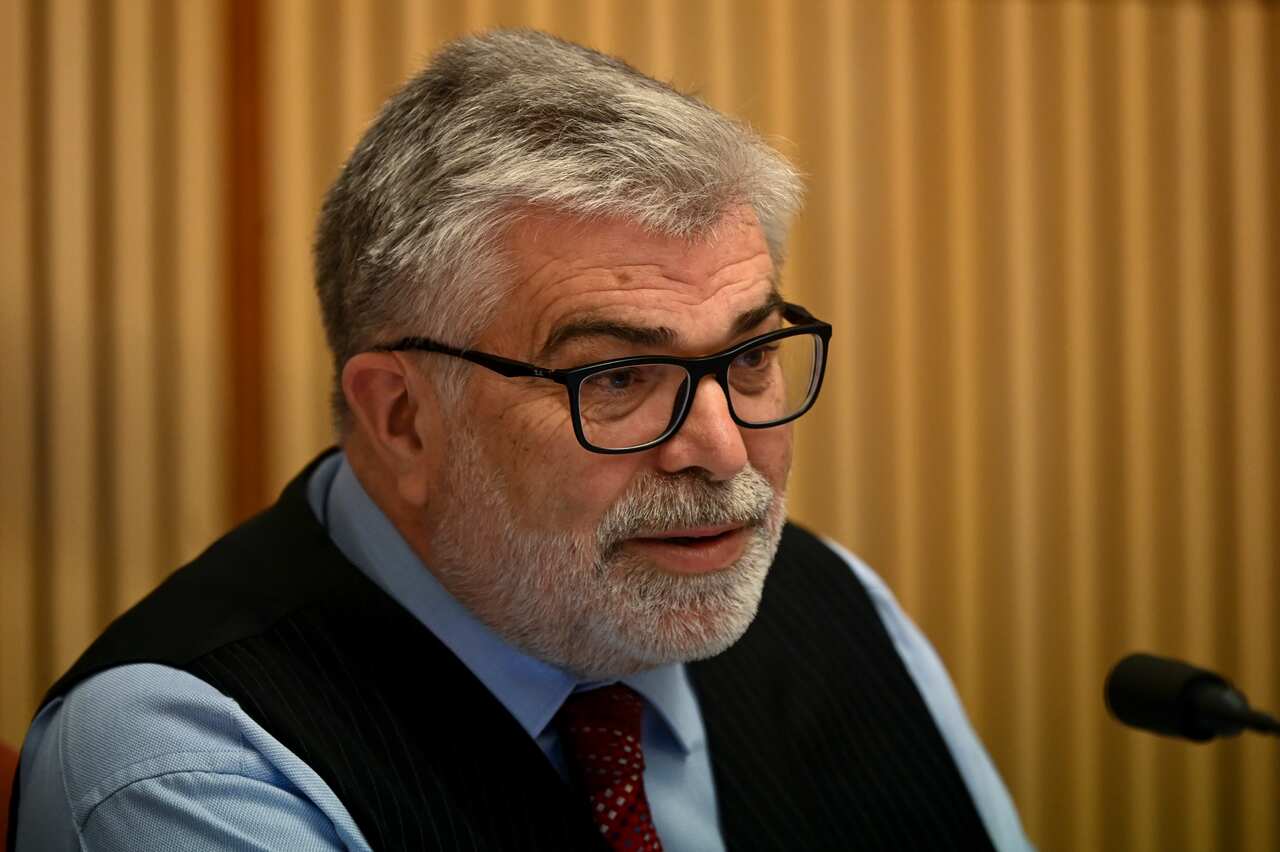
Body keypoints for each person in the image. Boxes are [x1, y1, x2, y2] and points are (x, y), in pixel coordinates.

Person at [10, 29, 1030, 852]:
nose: (721, 450)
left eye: (750, 358)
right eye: (618, 378)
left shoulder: (837, 604)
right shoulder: (188, 761)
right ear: (402, 418)